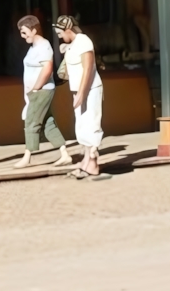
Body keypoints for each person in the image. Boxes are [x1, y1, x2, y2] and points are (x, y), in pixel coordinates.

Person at [13, 15, 72, 169]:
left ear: (34, 30)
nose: (22, 35)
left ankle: (27, 156)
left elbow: (47, 68)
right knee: (48, 123)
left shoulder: (44, 46)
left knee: (31, 122)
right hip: (36, 92)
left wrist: (36, 88)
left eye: (25, 32)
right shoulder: (34, 47)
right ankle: (65, 154)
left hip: (42, 90)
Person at [54, 14, 107, 179]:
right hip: (79, 90)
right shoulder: (73, 44)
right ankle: (86, 161)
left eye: (60, 33)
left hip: (90, 89)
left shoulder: (84, 41)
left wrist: (82, 93)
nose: (60, 37)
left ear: (68, 29)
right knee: (82, 125)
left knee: (91, 123)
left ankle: (92, 161)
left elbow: (88, 69)